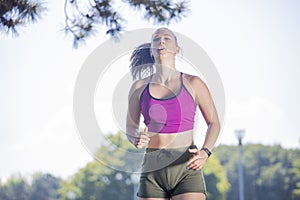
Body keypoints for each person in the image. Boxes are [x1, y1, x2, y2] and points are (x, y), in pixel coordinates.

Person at [126, 27, 220, 200]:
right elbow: (131, 128)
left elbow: (214, 123)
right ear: (152, 50)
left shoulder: (194, 83)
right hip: (153, 167)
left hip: (186, 165)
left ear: (177, 49)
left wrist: (205, 152)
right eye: (156, 39)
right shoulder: (139, 87)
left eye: (167, 38)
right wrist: (135, 138)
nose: (161, 41)